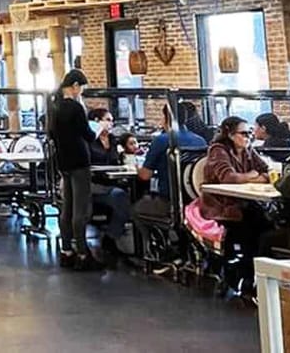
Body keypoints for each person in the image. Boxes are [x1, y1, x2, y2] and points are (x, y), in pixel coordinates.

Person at [200, 116, 271, 288]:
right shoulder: (218, 150)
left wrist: (251, 177)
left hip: (243, 202)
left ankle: (256, 273)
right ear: (230, 135)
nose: (248, 137)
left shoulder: (247, 150)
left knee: (266, 223)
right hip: (221, 205)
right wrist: (254, 176)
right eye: (244, 133)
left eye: (250, 133)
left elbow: (266, 172)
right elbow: (228, 178)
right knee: (255, 224)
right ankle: (245, 275)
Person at [131, 102, 207, 254]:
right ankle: (178, 243)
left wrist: (135, 166)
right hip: (196, 202)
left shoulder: (162, 140)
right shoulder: (200, 140)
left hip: (169, 202)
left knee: (135, 210)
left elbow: (145, 176)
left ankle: (157, 247)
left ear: (166, 118)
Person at [48, 68, 102, 270]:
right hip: (80, 161)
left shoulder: (54, 107)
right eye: (82, 88)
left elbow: (52, 134)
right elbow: (87, 135)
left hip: (64, 161)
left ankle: (66, 251)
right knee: (81, 209)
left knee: (67, 207)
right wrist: (99, 129)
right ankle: (82, 253)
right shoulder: (75, 108)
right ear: (75, 86)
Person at [87, 107, 132, 258]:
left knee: (130, 193)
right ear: (96, 122)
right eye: (107, 120)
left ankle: (113, 234)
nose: (111, 124)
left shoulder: (113, 140)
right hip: (95, 185)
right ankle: (111, 237)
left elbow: (119, 160)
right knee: (120, 197)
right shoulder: (90, 141)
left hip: (113, 182)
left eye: (112, 120)